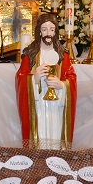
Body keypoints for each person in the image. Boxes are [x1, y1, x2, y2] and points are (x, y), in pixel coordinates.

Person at [15, 13, 77, 148]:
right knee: (40, 134)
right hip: (38, 107)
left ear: (55, 32)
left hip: (56, 108)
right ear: (39, 31)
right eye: (44, 29)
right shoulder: (30, 54)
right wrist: (34, 78)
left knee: (55, 136)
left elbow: (71, 78)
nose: (48, 33)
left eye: (51, 29)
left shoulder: (63, 55)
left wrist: (62, 85)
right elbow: (20, 77)